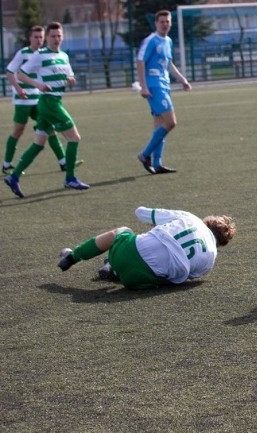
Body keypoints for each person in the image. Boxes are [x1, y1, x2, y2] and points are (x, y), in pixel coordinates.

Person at [4, 22, 89, 197]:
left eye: (59, 35)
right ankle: (70, 178)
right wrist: (38, 85)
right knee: (74, 138)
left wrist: (71, 79)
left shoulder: (64, 55)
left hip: (54, 101)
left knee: (39, 144)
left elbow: (69, 75)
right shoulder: (40, 55)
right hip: (49, 103)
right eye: (53, 36)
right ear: (47, 38)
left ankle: (14, 177)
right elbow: (20, 74)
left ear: (62, 37)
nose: (56, 39)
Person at [58, 206, 236, 290]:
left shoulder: (190, 218)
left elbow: (141, 212)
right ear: (220, 243)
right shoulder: (211, 258)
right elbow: (186, 278)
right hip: (140, 281)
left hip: (129, 251)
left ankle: (73, 256)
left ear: (206, 221)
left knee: (122, 231)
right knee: (171, 273)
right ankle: (112, 269)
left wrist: (156, 223)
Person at [3, 25, 73, 174]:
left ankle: (63, 162)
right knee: (18, 130)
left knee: (50, 130)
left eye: (41, 37)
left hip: (39, 99)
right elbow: (10, 72)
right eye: (36, 37)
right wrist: (19, 89)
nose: (38, 40)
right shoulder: (23, 54)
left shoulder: (46, 54)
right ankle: (7, 164)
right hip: (23, 100)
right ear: (30, 38)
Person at [136, 10, 192, 175]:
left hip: (164, 85)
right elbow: (140, 61)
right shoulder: (151, 40)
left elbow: (169, 64)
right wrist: (143, 86)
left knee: (160, 126)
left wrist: (183, 80)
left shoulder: (168, 41)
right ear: (156, 23)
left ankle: (158, 163)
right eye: (162, 21)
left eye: (167, 21)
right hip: (154, 86)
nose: (165, 24)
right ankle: (145, 155)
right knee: (171, 122)